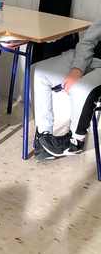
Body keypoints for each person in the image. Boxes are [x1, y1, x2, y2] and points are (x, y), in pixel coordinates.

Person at [33, 19, 101, 160]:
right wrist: (77, 68)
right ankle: (44, 135)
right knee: (39, 72)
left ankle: (75, 142)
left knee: (81, 88)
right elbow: (88, 41)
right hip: (90, 58)